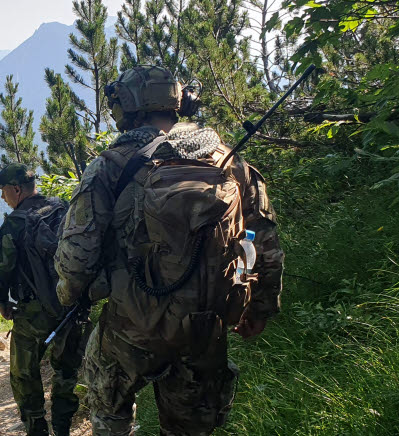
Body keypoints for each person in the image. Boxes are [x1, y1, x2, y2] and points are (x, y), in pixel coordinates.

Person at [54, 65, 285, 435]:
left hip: (129, 327)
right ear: (180, 102)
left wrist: (69, 296)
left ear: (127, 107)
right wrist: (259, 308)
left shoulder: (111, 165)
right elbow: (264, 243)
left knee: (110, 417)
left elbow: (78, 254)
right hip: (203, 327)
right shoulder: (228, 160)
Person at [0, 163, 88, 436]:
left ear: (17, 189)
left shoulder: (14, 224)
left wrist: (2, 302)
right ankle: (62, 427)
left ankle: (36, 429)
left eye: (3, 191)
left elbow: (0, 270)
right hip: (72, 306)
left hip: (34, 313)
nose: (2, 197)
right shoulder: (63, 208)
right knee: (66, 371)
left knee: (23, 374)